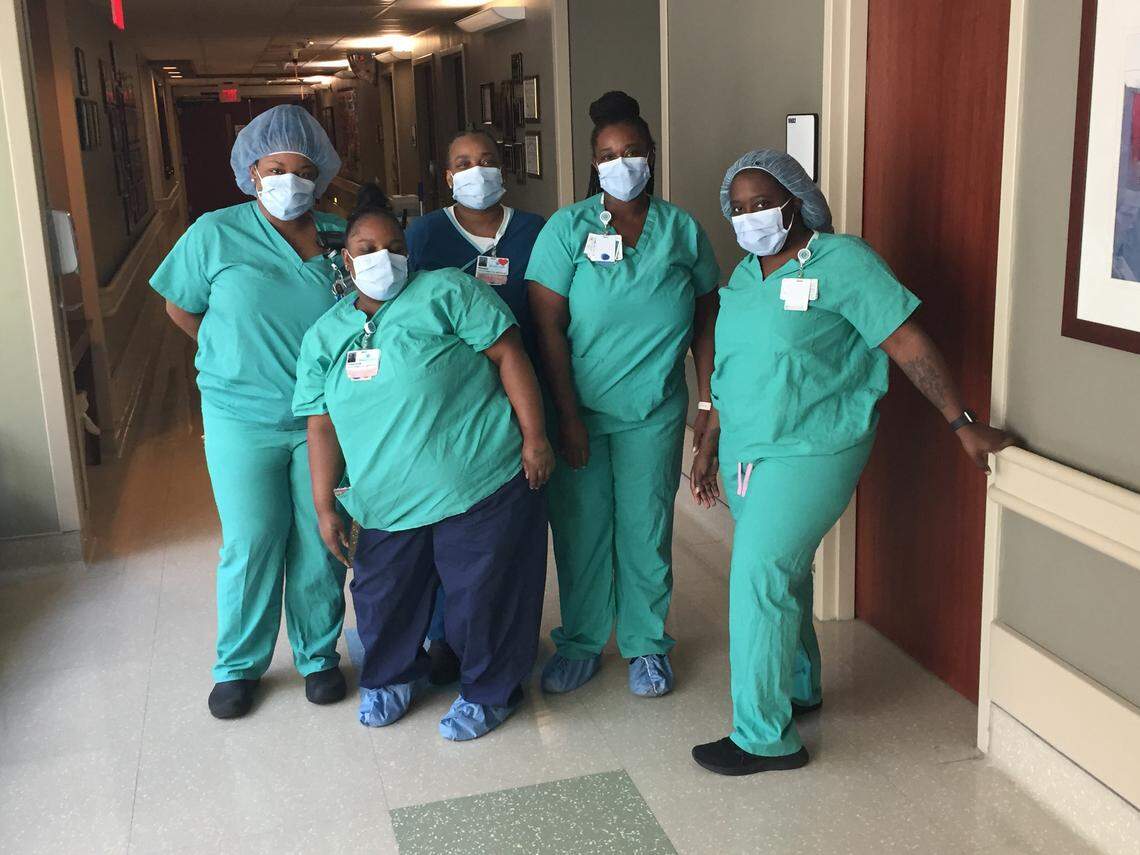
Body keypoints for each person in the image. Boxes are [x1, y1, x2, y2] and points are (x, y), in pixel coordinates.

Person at [688, 149, 1015, 776]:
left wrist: (962, 423)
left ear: (795, 199)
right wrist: (708, 438)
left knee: (759, 577)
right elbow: (735, 364)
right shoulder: (747, 277)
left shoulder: (844, 262)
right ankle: (801, 686)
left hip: (814, 445)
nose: (751, 216)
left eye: (763, 202)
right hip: (748, 446)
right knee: (787, 573)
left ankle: (764, 739)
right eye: (739, 207)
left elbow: (906, 340)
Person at [293, 184, 555, 740]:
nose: (380, 258)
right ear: (346, 257)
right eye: (365, 247)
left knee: (483, 597)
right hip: (384, 496)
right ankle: (389, 679)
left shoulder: (448, 292)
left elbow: (510, 354)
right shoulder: (326, 334)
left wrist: (535, 438)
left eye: (392, 246)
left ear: (408, 252)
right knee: (383, 597)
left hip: (477, 481)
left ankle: (490, 691)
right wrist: (324, 505)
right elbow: (320, 424)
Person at [150, 104, 349, 719]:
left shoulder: (341, 236)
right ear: (251, 171)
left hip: (323, 416)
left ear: (321, 176)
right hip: (241, 414)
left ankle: (319, 657)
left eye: (302, 169)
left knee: (322, 541)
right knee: (253, 538)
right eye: (275, 168)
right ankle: (238, 666)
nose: (289, 181)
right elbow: (181, 308)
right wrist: (229, 351)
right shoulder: (214, 233)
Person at [526, 91, 721, 698]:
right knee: (582, 530)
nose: (621, 162)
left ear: (651, 155)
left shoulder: (679, 229)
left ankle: (645, 644)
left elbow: (707, 316)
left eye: (632, 151)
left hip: (654, 410)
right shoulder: (569, 229)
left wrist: (706, 402)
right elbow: (547, 328)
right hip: (579, 408)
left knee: (646, 529)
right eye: (609, 155)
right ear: (593, 163)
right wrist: (567, 416)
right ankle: (582, 642)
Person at [405, 128, 546, 686]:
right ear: (446, 176)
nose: (476, 171)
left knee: (514, 534)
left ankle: (507, 637)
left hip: (525, 398)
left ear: (503, 167)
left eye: (487, 160)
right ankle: (445, 635)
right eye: (463, 162)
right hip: (454, 408)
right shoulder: (424, 235)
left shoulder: (537, 231)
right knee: (452, 529)